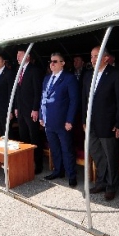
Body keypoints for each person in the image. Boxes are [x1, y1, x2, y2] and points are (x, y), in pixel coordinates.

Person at [82, 46, 119, 201]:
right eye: (92, 56)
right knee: (97, 154)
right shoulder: (88, 75)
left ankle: (112, 186)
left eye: (96, 56)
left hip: (108, 124)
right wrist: (83, 120)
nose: (93, 60)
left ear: (106, 58)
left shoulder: (115, 74)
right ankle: (101, 182)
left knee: (110, 156)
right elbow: (84, 100)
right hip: (91, 123)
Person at [40, 53, 79, 187]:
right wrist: (41, 116)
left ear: (62, 63)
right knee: (54, 148)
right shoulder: (46, 79)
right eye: (50, 61)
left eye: (55, 61)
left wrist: (70, 120)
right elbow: (43, 99)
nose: (52, 64)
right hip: (49, 121)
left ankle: (71, 175)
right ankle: (58, 170)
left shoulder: (69, 78)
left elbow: (74, 101)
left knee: (67, 149)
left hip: (63, 122)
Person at [14, 48, 44, 174]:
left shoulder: (34, 70)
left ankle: (38, 164)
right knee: (23, 137)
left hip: (31, 111)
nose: (18, 58)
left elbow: (37, 91)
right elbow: (17, 91)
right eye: (17, 56)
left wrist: (35, 109)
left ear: (28, 56)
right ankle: (26, 161)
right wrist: (16, 107)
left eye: (20, 55)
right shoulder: (19, 71)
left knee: (34, 137)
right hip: (21, 110)